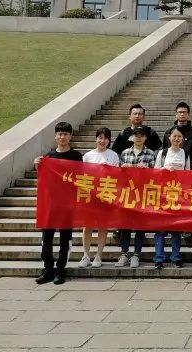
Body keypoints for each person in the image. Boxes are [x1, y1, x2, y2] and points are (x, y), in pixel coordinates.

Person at [34, 121, 83, 285]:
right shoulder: (48, 157)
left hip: (67, 204)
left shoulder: (76, 156)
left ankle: (60, 270)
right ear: (55, 136)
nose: (62, 137)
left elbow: (81, 177)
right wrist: (38, 165)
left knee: (65, 238)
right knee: (46, 238)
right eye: (60, 134)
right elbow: (44, 179)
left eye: (65, 134)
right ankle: (48, 269)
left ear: (70, 136)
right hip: (51, 204)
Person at [115, 127, 156, 269]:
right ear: (132, 137)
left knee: (140, 226)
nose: (138, 138)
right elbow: (117, 174)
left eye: (141, 135)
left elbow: (155, 175)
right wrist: (123, 168)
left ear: (145, 138)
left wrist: (147, 170)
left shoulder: (150, 153)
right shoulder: (125, 153)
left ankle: (136, 254)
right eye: (136, 135)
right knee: (125, 225)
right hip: (127, 194)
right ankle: (124, 254)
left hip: (143, 193)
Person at [80, 127, 120, 269]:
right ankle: (85, 255)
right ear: (96, 139)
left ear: (109, 140)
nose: (102, 141)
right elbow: (82, 174)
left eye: (106, 138)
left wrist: (108, 168)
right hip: (90, 195)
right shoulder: (88, 156)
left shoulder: (113, 155)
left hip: (106, 194)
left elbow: (118, 175)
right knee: (87, 225)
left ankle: (98, 255)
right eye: (100, 138)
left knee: (103, 225)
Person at [153, 127, 188, 269]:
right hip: (163, 194)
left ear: (182, 139)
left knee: (176, 228)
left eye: (179, 136)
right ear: (169, 137)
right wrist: (165, 170)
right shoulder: (162, 153)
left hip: (178, 194)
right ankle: (159, 258)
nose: (176, 138)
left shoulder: (185, 153)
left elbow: (188, 174)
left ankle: (176, 256)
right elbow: (155, 172)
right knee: (160, 229)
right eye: (174, 136)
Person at [165, 101, 192, 168]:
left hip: (187, 166)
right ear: (176, 114)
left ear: (188, 114)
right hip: (170, 166)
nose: (182, 114)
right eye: (180, 112)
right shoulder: (169, 132)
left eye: (184, 112)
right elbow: (165, 149)